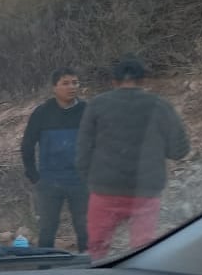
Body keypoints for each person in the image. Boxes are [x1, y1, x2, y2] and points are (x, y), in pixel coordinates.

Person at [76, 57, 190, 261]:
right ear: (143, 81)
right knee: (143, 249)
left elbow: (83, 150)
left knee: (97, 249)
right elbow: (179, 150)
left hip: (105, 189)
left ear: (113, 81)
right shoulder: (161, 106)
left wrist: (90, 179)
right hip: (145, 192)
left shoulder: (97, 105)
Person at [21, 67, 89, 252]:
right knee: (47, 231)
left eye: (75, 82)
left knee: (85, 230)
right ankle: (44, 269)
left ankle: (88, 271)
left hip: (80, 182)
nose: (71, 87)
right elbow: (27, 146)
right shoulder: (42, 113)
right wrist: (34, 176)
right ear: (54, 87)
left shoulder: (86, 111)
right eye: (65, 83)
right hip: (50, 182)